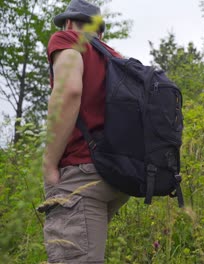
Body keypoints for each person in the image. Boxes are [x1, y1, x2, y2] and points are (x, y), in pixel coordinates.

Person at [40, 0, 128, 262]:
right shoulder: (114, 57)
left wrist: (49, 164)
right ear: (99, 32)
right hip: (115, 176)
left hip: (80, 174)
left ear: (69, 23)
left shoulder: (67, 40)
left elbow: (69, 91)